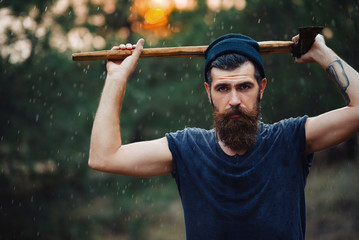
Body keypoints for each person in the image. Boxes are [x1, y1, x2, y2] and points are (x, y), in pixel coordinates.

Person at [88, 33, 359, 239]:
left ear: (261, 88)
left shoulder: (289, 139)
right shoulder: (187, 148)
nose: (234, 100)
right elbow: (104, 157)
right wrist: (116, 77)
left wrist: (323, 53)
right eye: (222, 89)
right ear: (208, 91)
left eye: (244, 86)